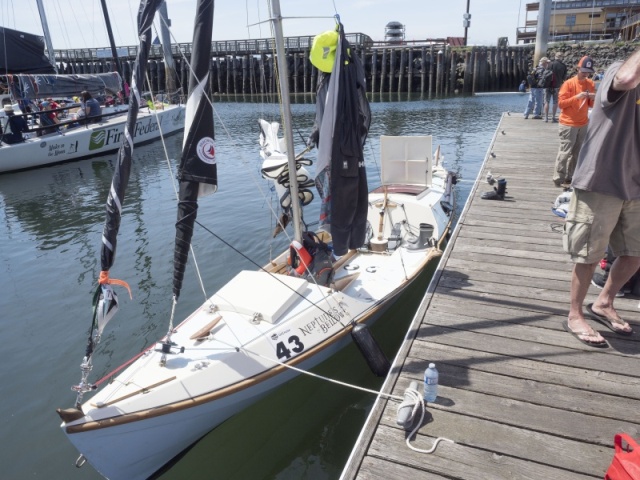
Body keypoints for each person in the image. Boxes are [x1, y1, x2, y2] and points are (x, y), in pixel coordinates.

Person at [561, 49, 640, 347]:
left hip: (635, 185)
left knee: (634, 252)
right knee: (589, 254)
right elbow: (629, 77)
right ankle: (574, 314)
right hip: (601, 180)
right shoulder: (617, 72)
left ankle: (604, 302)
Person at [552, 56, 596, 188]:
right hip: (568, 124)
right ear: (578, 69)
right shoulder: (568, 84)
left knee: (577, 153)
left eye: (588, 71)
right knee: (565, 152)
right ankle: (558, 178)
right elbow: (561, 104)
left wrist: (594, 97)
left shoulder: (591, 84)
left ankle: (570, 177)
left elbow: (591, 105)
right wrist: (576, 97)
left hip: (583, 124)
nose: (586, 74)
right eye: (583, 71)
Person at [544, 51, 568, 122]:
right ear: (561, 58)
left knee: (547, 101)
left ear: (555, 57)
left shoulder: (550, 64)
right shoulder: (563, 66)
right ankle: (553, 117)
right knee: (555, 102)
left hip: (548, 85)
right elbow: (564, 78)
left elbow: (545, 74)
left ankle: (546, 118)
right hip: (557, 86)